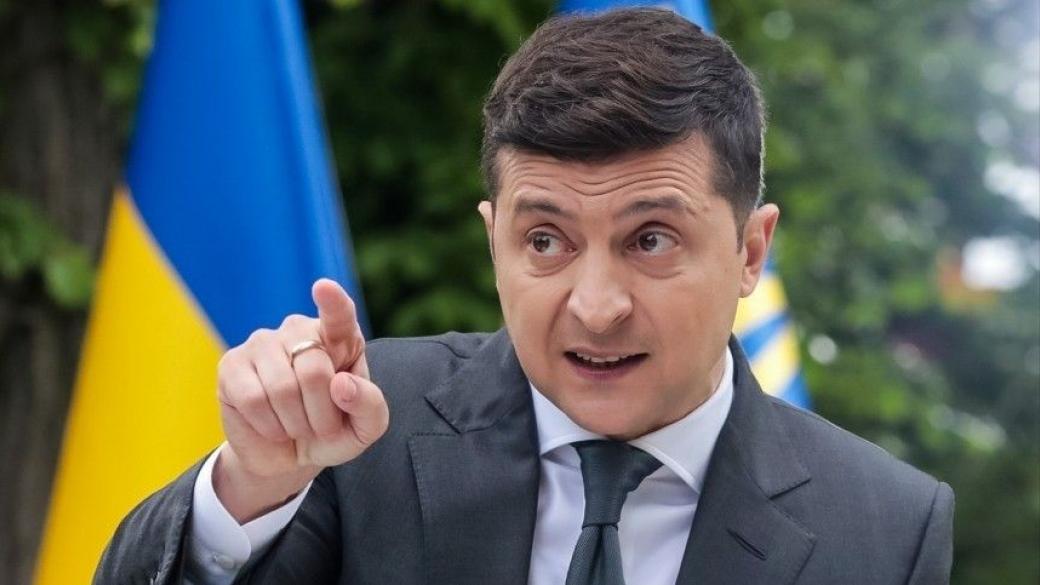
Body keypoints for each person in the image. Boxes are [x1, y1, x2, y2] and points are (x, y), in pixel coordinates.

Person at [95, 8, 954, 585]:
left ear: (749, 251)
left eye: (651, 239)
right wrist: (251, 485)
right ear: (493, 239)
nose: (596, 305)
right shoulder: (359, 430)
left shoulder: (887, 525)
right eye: (546, 241)